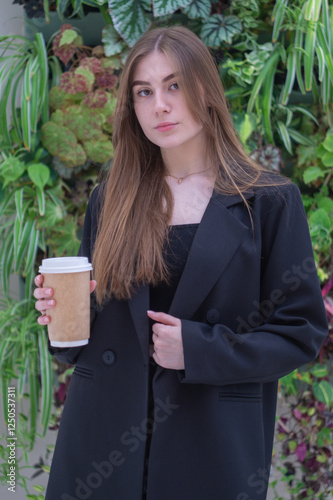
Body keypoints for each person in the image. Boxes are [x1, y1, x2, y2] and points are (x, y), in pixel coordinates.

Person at [34, 26, 328, 500]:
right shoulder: (110, 200)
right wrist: (62, 319)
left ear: (205, 91)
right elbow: (85, 342)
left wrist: (199, 348)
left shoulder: (268, 201)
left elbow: (301, 333)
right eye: (144, 92)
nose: (160, 106)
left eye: (174, 85)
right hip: (100, 449)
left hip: (209, 447)